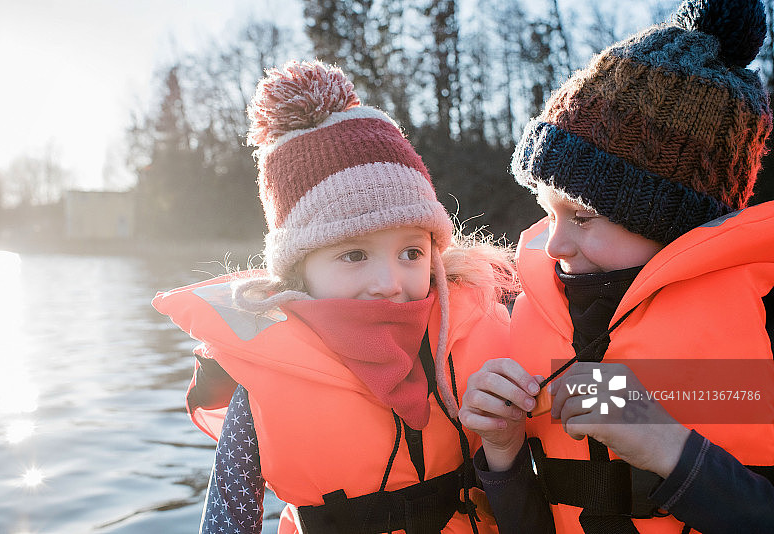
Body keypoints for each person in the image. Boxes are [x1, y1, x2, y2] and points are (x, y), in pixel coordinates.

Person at [153, 60, 526, 534]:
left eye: (411, 252)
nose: (389, 282)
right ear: (298, 272)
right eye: (353, 255)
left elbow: (603, 392)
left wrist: (650, 435)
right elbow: (227, 516)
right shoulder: (261, 377)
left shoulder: (488, 327)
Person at [459, 0, 774, 532]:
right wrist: (503, 453)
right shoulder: (541, 312)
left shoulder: (761, 317)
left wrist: (671, 451)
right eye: (549, 211)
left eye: (583, 217)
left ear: (670, 219)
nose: (553, 244)